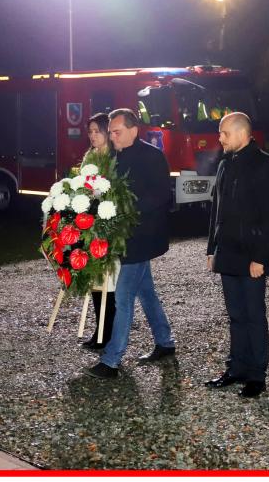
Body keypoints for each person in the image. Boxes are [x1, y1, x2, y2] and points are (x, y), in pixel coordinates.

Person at [85, 108, 176, 379]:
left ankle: (111, 360)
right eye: (111, 132)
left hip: (142, 238)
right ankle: (165, 342)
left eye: (117, 132)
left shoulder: (153, 156)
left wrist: (127, 208)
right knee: (146, 293)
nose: (112, 137)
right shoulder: (114, 157)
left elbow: (162, 196)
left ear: (134, 130)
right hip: (123, 237)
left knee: (123, 297)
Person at [205, 113, 269, 399]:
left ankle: (257, 375)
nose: (220, 138)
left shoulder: (266, 165)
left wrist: (260, 258)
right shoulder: (225, 164)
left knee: (253, 315)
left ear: (241, 133)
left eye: (224, 133)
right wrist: (212, 248)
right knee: (235, 315)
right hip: (227, 252)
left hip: (251, 256)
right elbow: (217, 210)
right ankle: (236, 368)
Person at [80, 113, 117, 350]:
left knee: (108, 284)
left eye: (97, 131)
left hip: (109, 228)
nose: (93, 136)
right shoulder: (89, 158)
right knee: (95, 281)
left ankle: (108, 333)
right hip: (90, 227)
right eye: (90, 132)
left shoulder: (115, 158)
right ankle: (99, 331)